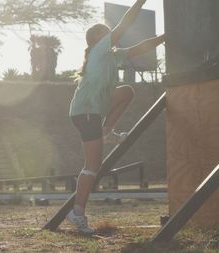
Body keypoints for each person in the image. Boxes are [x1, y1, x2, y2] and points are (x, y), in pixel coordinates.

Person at [67, 0, 165, 234]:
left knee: (126, 91)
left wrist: (165, 37)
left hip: (92, 111)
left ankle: (106, 130)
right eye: (106, 32)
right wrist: (140, 2)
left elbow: (139, 48)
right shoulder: (101, 49)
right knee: (92, 166)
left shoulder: (110, 55)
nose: (111, 33)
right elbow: (125, 23)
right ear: (99, 39)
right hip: (86, 112)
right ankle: (77, 213)